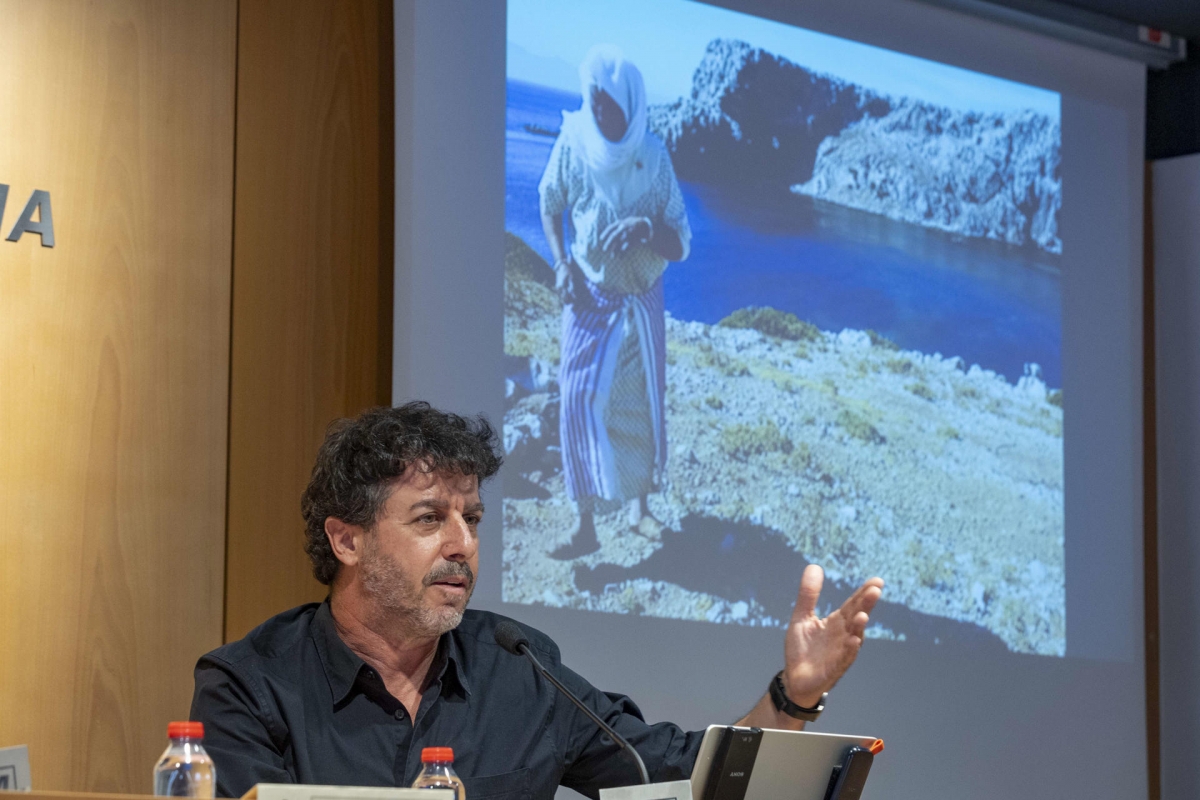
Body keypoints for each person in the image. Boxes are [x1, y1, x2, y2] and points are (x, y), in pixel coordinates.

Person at [191, 402, 884, 799]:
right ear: (347, 541)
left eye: (474, 519)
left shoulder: (520, 666)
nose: (463, 543)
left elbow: (674, 772)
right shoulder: (250, 684)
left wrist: (793, 697)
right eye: (431, 519)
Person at [539, 45, 689, 559]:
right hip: (588, 298)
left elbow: (681, 242)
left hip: (641, 300)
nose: (602, 114)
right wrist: (562, 263)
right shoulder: (575, 144)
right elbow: (549, 202)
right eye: (595, 103)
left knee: (641, 403)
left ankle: (638, 510)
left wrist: (649, 229)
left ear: (631, 106)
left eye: (611, 106)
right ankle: (585, 525)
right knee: (578, 403)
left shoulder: (656, 157)